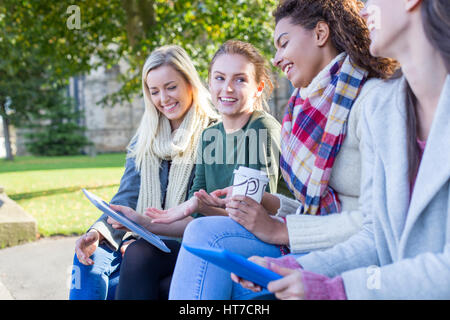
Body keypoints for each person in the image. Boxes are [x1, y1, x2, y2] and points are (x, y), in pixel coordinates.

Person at [165, 0, 398, 300]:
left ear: (320, 34)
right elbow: (311, 208)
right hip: (312, 233)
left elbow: (378, 224)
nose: (276, 58)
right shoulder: (305, 108)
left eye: (283, 44)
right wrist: (270, 204)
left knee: (208, 239)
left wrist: (281, 231)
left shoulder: (369, 102)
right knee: (204, 239)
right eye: (219, 79)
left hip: (348, 249)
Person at [235, 0, 450, 299]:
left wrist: (339, 289)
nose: (363, 11)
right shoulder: (384, 107)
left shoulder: (367, 103)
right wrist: (293, 266)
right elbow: (376, 236)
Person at [114, 40, 288, 299]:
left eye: (240, 80)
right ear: (209, 83)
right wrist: (140, 221)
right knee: (140, 253)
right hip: (213, 233)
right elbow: (195, 215)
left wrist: (202, 207)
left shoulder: (260, 128)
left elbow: (251, 215)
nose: (227, 88)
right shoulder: (209, 136)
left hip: (262, 238)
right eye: (219, 78)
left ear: (258, 88)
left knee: (167, 279)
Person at [68, 45, 218, 300]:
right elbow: (125, 197)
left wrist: (141, 235)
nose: (163, 99)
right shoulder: (145, 138)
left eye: (171, 87)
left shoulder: (213, 135)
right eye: (154, 91)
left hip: (184, 242)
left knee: (140, 256)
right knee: (86, 258)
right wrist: (99, 232)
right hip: (140, 239)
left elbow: (207, 208)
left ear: (190, 84)